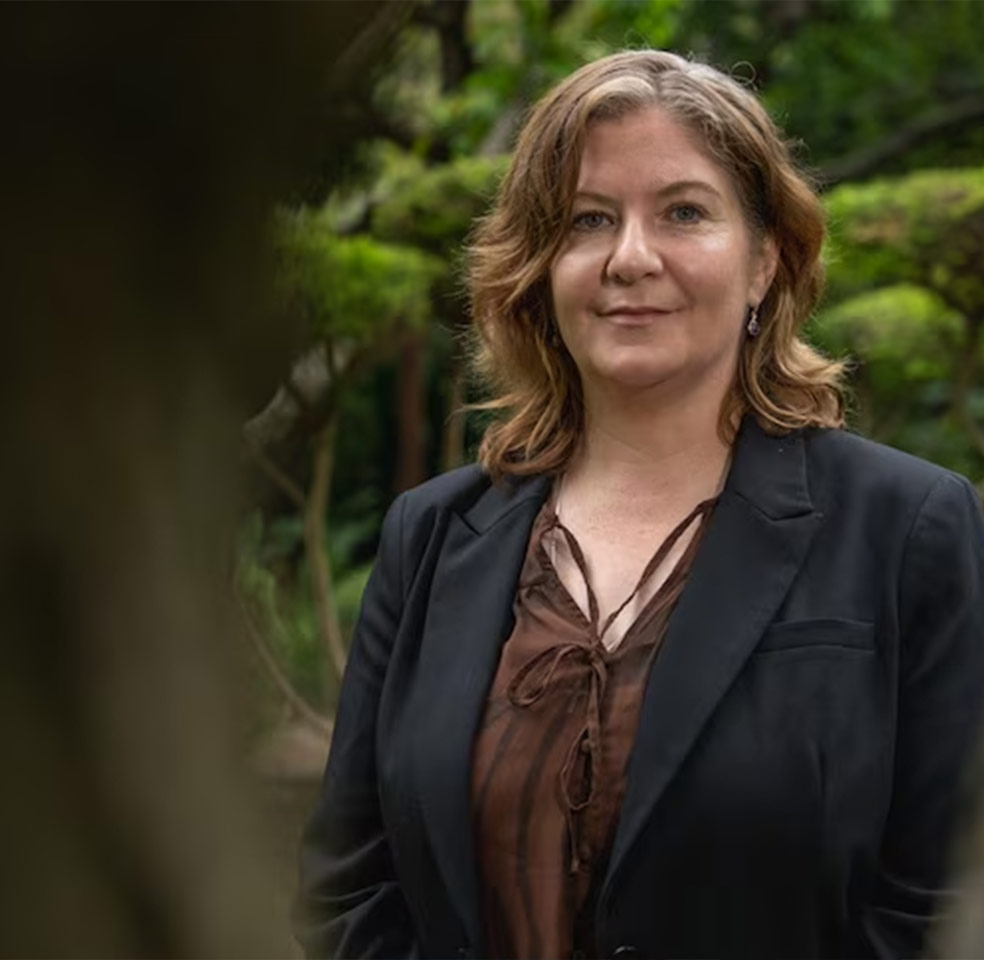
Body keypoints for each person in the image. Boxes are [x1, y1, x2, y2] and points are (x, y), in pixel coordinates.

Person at [293, 49, 984, 960]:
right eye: (588, 220)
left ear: (766, 260)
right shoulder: (428, 537)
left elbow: (943, 902)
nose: (630, 258)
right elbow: (348, 886)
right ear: (540, 268)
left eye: (684, 212)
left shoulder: (910, 527)